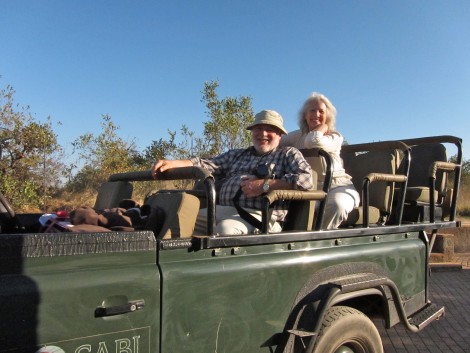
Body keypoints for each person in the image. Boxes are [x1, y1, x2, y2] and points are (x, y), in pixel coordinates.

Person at [152, 110, 314, 235]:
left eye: (269, 129)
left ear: (279, 135)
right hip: (222, 209)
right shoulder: (237, 154)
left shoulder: (287, 154)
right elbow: (206, 163)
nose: (263, 134)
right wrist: (173, 163)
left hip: (263, 216)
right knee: (178, 219)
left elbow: (306, 180)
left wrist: (265, 185)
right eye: (258, 128)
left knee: (225, 230)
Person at [280, 92, 360, 229]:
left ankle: (318, 243)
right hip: (309, 186)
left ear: (327, 116)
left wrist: (323, 128)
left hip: (338, 186)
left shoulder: (335, 136)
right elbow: (275, 142)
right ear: (305, 115)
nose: (316, 114)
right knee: (300, 208)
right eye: (312, 110)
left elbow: (313, 142)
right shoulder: (296, 136)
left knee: (337, 205)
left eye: (321, 111)